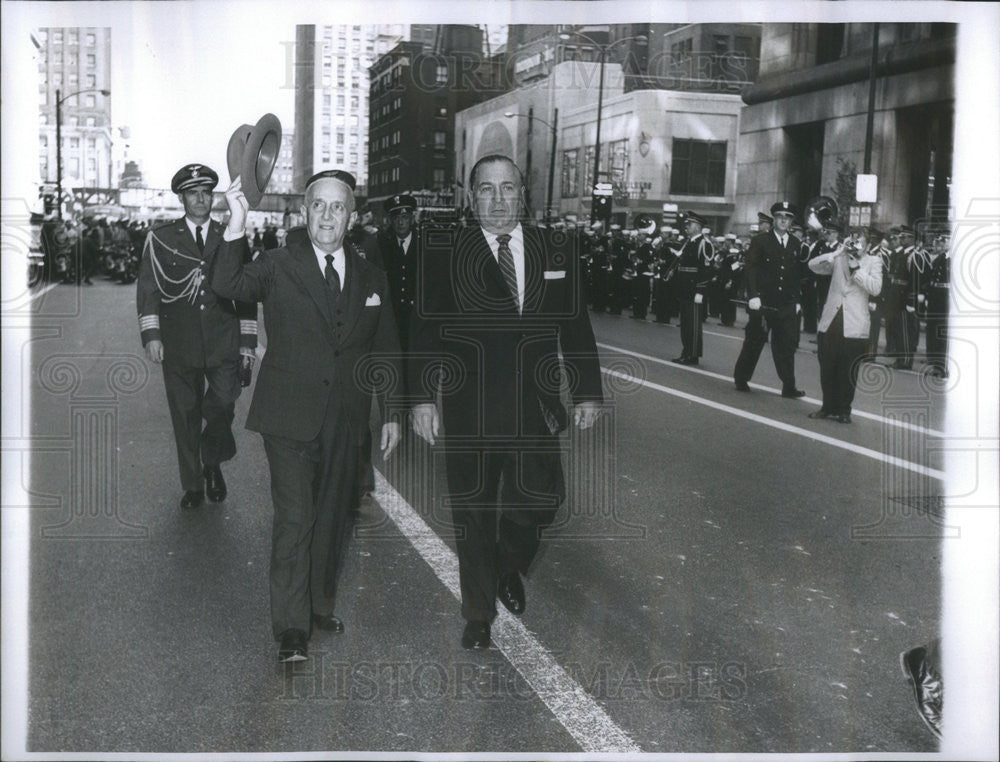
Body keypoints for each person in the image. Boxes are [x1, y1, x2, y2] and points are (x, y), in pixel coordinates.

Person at [408, 154, 603, 650]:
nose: (498, 200)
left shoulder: (555, 248)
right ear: (471, 198)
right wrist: (420, 399)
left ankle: (506, 564)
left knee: (542, 501)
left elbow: (575, 324)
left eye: (507, 189)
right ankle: (477, 614)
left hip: (533, 406)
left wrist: (586, 392)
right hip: (468, 404)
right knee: (473, 512)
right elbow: (424, 332)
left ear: (523, 194)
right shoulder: (444, 251)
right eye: (487, 190)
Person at [212, 170, 402, 662]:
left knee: (334, 519)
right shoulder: (276, 264)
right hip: (288, 420)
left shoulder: (371, 277)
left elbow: (386, 350)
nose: (327, 216)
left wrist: (393, 413)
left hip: (346, 419)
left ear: (352, 218)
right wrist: (236, 224)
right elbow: (227, 281)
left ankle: (319, 605)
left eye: (338, 207)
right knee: (296, 520)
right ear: (304, 213)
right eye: (318, 205)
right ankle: (292, 631)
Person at [136, 163, 258, 509]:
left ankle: (211, 458)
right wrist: (152, 335)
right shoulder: (161, 238)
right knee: (185, 414)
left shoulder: (230, 235)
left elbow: (246, 292)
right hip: (179, 342)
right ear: (181, 198)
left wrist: (248, 343)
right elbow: (148, 288)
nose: (201, 199)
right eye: (193, 193)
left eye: (206, 192)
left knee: (223, 403)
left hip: (223, 340)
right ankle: (193, 484)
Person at [806, 228, 882, 423]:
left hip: (855, 323)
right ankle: (827, 407)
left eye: (860, 242)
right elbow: (813, 265)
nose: (856, 246)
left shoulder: (874, 261)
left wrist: (856, 269)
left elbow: (875, 288)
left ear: (867, 245)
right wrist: (837, 252)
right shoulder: (839, 258)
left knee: (848, 370)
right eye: (853, 241)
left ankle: (844, 410)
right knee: (827, 366)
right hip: (832, 320)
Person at [733, 200, 806, 397]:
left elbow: (796, 275)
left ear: (791, 222)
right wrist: (753, 295)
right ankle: (741, 378)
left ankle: (789, 386)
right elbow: (751, 270)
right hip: (763, 302)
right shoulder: (761, 241)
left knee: (786, 346)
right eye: (780, 217)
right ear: (774, 219)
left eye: (788, 218)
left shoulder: (795, 244)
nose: (784, 221)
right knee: (754, 341)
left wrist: (797, 300)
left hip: (786, 304)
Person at [377, 193, 420, 350]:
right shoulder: (384, 245)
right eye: (396, 218)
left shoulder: (423, 244)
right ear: (391, 221)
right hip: (392, 316)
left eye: (405, 217)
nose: (400, 222)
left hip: (417, 316)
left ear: (412, 219)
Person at [671, 211, 714, 365]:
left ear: (697, 226)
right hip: (684, 288)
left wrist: (700, 291)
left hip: (694, 289)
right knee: (685, 323)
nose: (686, 227)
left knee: (693, 324)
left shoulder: (704, 244)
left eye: (689, 224)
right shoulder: (688, 242)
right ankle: (686, 351)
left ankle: (692, 354)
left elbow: (706, 271)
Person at [923, 233, 950, 377]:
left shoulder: (954, 259)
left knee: (942, 333)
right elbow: (931, 279)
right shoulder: (940, 258)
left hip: (945, 299)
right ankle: (934, 363)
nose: (940, 244)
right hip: (936, 298)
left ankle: (941, 366)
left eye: (944, 241)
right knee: (933, 330)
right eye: (940, 241)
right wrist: (928, 296)